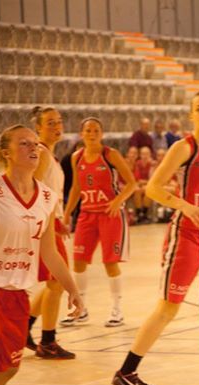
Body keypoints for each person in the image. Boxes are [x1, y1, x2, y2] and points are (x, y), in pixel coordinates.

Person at [111, 91, 199, 385]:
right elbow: (154, 188)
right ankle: (127, 371)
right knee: (168, 308)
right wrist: (185, 206)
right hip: (187, 235)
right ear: (191, 115)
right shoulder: (185, 147)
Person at [0, 125, 82, 385]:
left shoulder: (46, 197)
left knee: (10, 368)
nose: (34, 148)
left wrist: (73, 289)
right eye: (25, 143)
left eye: (36, 144)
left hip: (17, 294)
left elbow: (49, 251)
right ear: (7, 153)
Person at [59, 117, 136, 327]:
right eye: (88, 130)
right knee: (79, 261)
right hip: (86, 214)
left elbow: (131, 183)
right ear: (81, 134)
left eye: (96, 130)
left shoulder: (110, 155)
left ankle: (116, 310)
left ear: (101, 134)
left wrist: (117, 201)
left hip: (110, 216)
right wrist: (66, 215)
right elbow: (76, 188)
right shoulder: (76, 157)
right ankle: (81, 309)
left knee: (110, 263)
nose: (92, 134)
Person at [25, 106, 75, 359]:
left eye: (59, 121)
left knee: (53, 284)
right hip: (44, 225)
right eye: (50, 123)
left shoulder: (51, 156)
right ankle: (48, 341)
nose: (57, 126)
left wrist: (60, 217)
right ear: (38, 128)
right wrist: (50, 221)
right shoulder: (42, 153)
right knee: (56, 284)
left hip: (51, 221)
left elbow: (50, 193)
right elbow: (36, 191)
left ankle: (26, 328)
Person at [133, 146, 154, 223]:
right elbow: (137, 178)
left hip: (149, 185)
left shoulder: (152, 164)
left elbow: (153, 178)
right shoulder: (137, 163)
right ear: (140, 155)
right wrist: (145, 182)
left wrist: (145, 182)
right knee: (137, 191)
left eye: (147, 154)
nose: (145, 156)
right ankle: (139, 214)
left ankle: (144, 214)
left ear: (150, 155)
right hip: (139, 185)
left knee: (148, 191)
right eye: (143, 154)